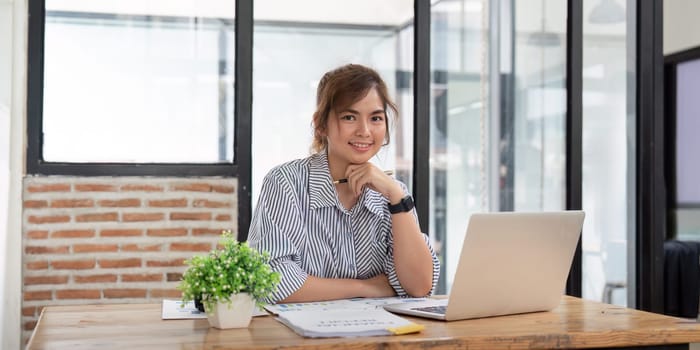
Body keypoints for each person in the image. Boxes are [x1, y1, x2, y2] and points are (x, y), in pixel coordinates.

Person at [248, 64, 440, 303]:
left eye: (376, 118)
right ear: (320, 124)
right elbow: (271, 281)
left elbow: (419, 286)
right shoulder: (285, 183)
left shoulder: (392, 193)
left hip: (382, 336)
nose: (365, 131)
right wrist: (366, 287)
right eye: (349, 117)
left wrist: (397, 196)